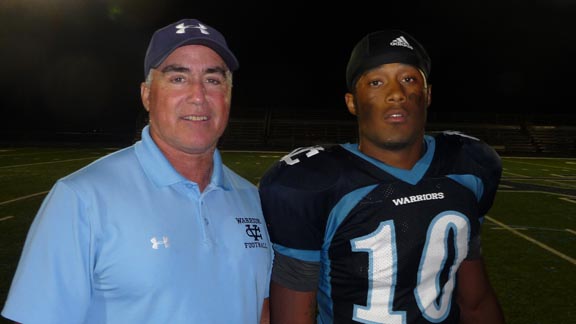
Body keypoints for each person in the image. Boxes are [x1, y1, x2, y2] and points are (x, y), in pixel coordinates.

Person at [2, 18, 272, 324]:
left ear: (229, 95)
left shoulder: (251, 199)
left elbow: (260, 308)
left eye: (213, 80)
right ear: (146, 95)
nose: (198, 96)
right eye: (178, 78)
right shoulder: (81, 198)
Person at [259, 29, 505, 324]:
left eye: (409, 79)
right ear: (352, 102)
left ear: (427, 95)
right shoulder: (311, 183)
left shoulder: (469, 166)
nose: (396, 94)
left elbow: (476, 303)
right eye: (376, 82)